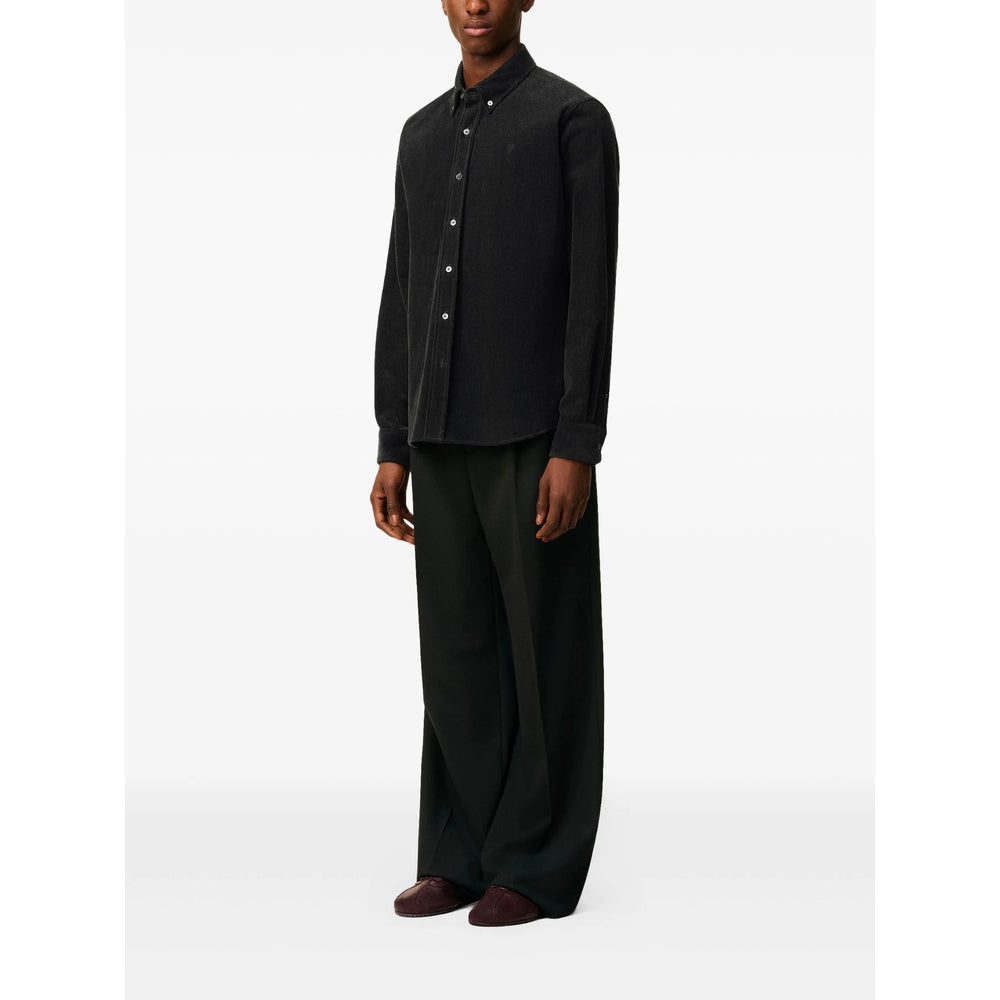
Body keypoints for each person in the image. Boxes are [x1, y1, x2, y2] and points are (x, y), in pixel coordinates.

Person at [370, 0, 619, 927]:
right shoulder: (419, 135)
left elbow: (591, 291)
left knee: (546, 653)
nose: (476, 3)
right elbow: (402, 284)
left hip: (532, 436)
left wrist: (575, 442)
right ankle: (459, 854)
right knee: (458, 657)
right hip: (437, 434)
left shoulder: (572, 120)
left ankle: (537, 864)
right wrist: (394, 439)